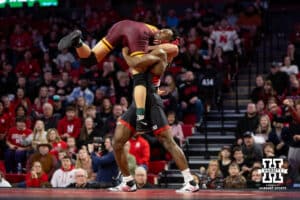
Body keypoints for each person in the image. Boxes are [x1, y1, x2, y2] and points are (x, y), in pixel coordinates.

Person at [58, 20, 177, 132]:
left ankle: (78, 42)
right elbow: (137, 63)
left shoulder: (157, 43)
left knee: (89, 60)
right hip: (137, 32)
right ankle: (141, 120)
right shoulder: (162, 45)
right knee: (139, 76)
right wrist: (125, 55)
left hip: (120, 26)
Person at [110, 43, 198, 192]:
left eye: (162, 34)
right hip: (137, 102)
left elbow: (135, 63)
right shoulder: (148, 53)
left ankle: (190, 181)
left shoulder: (161, 54)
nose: (157, 36)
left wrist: (125, 53)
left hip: (150, 101)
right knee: (117, 142)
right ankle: (128, 182)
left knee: (168, 141)